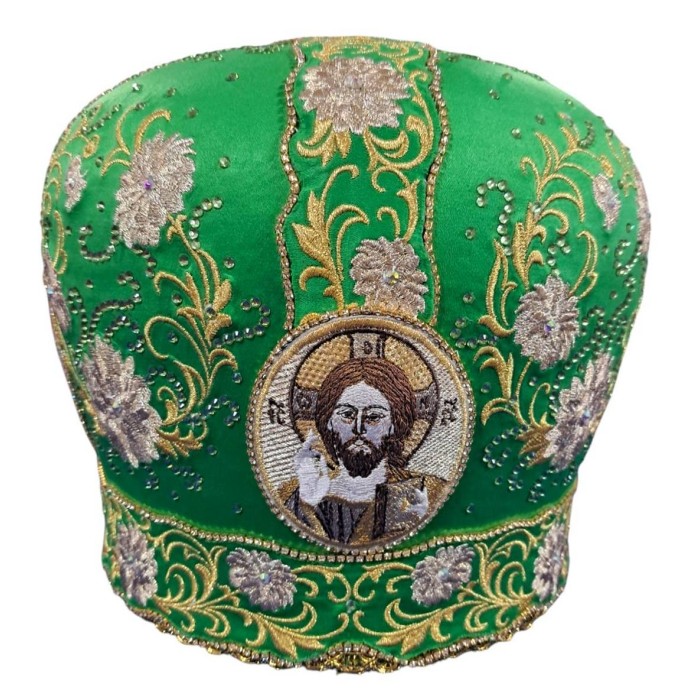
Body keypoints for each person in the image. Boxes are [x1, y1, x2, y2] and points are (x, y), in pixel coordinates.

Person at [278, 357, 445, 546]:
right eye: (347, 415)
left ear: (394, 424)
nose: (358, 428)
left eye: (373, 417)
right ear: (329, 421)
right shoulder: (293, 495)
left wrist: (424, 524)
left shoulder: (427, 491)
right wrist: (306, 504)